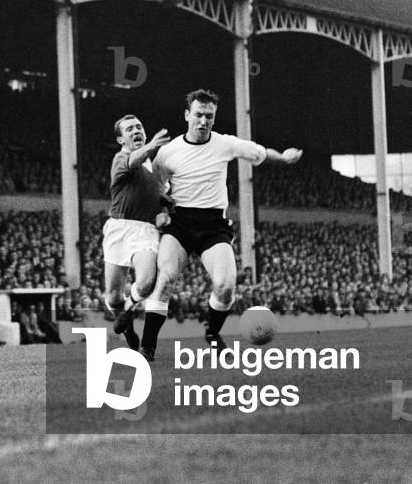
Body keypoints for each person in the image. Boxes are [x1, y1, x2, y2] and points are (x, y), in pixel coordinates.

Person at [136, 89, 301, 361]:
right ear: (187, 115)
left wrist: (282, 157)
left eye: (209, 116)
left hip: (213, 225)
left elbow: (259, 152)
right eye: (198, 114)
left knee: (225, 285)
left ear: (214, 118)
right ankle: (148, 347)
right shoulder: (167, 153)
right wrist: (161, 212)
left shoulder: (225, 143)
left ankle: (212, 333)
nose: (203, 121)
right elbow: (156, 190)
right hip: (179, 223)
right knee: (165, 278)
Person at [103, 114, 172, 350]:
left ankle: (128, 309)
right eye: (130, 129)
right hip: (120, 228)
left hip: (146, 230)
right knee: (113, 296)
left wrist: (164, 211)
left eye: (139, 126)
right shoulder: (121, 158)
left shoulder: (156, 169)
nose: (136, 131)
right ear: (121, 139)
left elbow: (162, 198)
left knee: (146, 282)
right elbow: (132, 162)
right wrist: (152, 145)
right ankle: (129, 331)